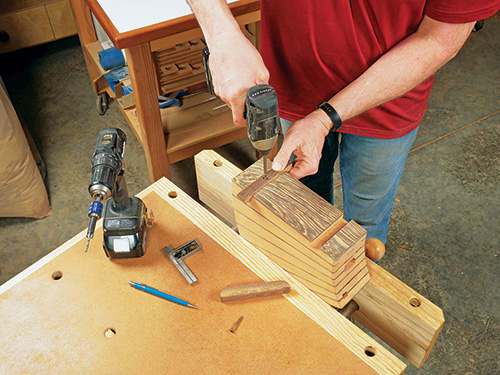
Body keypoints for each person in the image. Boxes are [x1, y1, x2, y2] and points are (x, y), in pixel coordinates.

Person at [186, 0, 500, 244]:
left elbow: (439, 41)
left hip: (389, 105)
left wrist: (324, 119)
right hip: (292, 84)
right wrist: (223, 36)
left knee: (364, 229)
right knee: (302, 203)